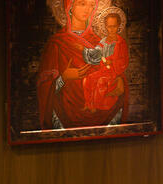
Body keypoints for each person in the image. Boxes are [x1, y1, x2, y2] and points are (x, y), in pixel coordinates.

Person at [37, 0, 127, 129]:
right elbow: (44, 88)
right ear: (70, 6)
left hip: (103, 111)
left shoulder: (100, 41)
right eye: (82, 3)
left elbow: (113, 67)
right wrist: (64, 78)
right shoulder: (56, 44)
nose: (88, 9)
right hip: (65, 113)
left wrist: (119, 80)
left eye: (92, 5)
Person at [82, 12, 129, 115]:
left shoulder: (121, 43)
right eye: (109, 26)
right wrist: (90, 53)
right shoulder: (103, 41)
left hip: (114, 73)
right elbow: (97, 53)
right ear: (105, 27)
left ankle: (97, 106)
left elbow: (124, 61)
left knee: (101, 81)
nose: (111, 29)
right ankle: (88, 104)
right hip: (103, 70)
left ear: (118, 26)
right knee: (87, 79)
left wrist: (111, 61)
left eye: (114, 26)